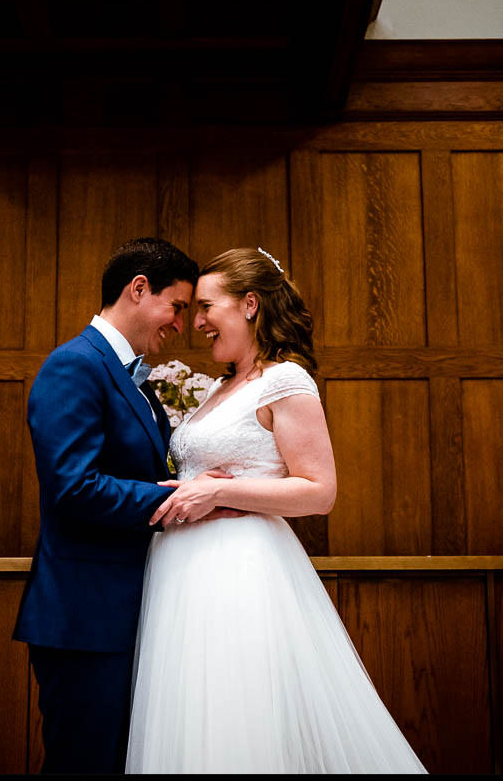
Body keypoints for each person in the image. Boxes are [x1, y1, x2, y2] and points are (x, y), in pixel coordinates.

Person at [125, 247, 427, 773]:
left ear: (248, 305)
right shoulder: (219, 389)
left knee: (236, 710)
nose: (196, 322)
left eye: (206, 307)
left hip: (241, 570)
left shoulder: (286, 381)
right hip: (182, 572)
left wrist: (218, 493)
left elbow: (318, 490)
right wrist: (184, 489)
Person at [14, 237, 235, 774]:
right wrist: (179, 497)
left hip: (127, 612)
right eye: (177, 307)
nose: (181, 324)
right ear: (139, 289)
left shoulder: (134, 379)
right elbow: (73, 487)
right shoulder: (74, 366)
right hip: (85, 618)